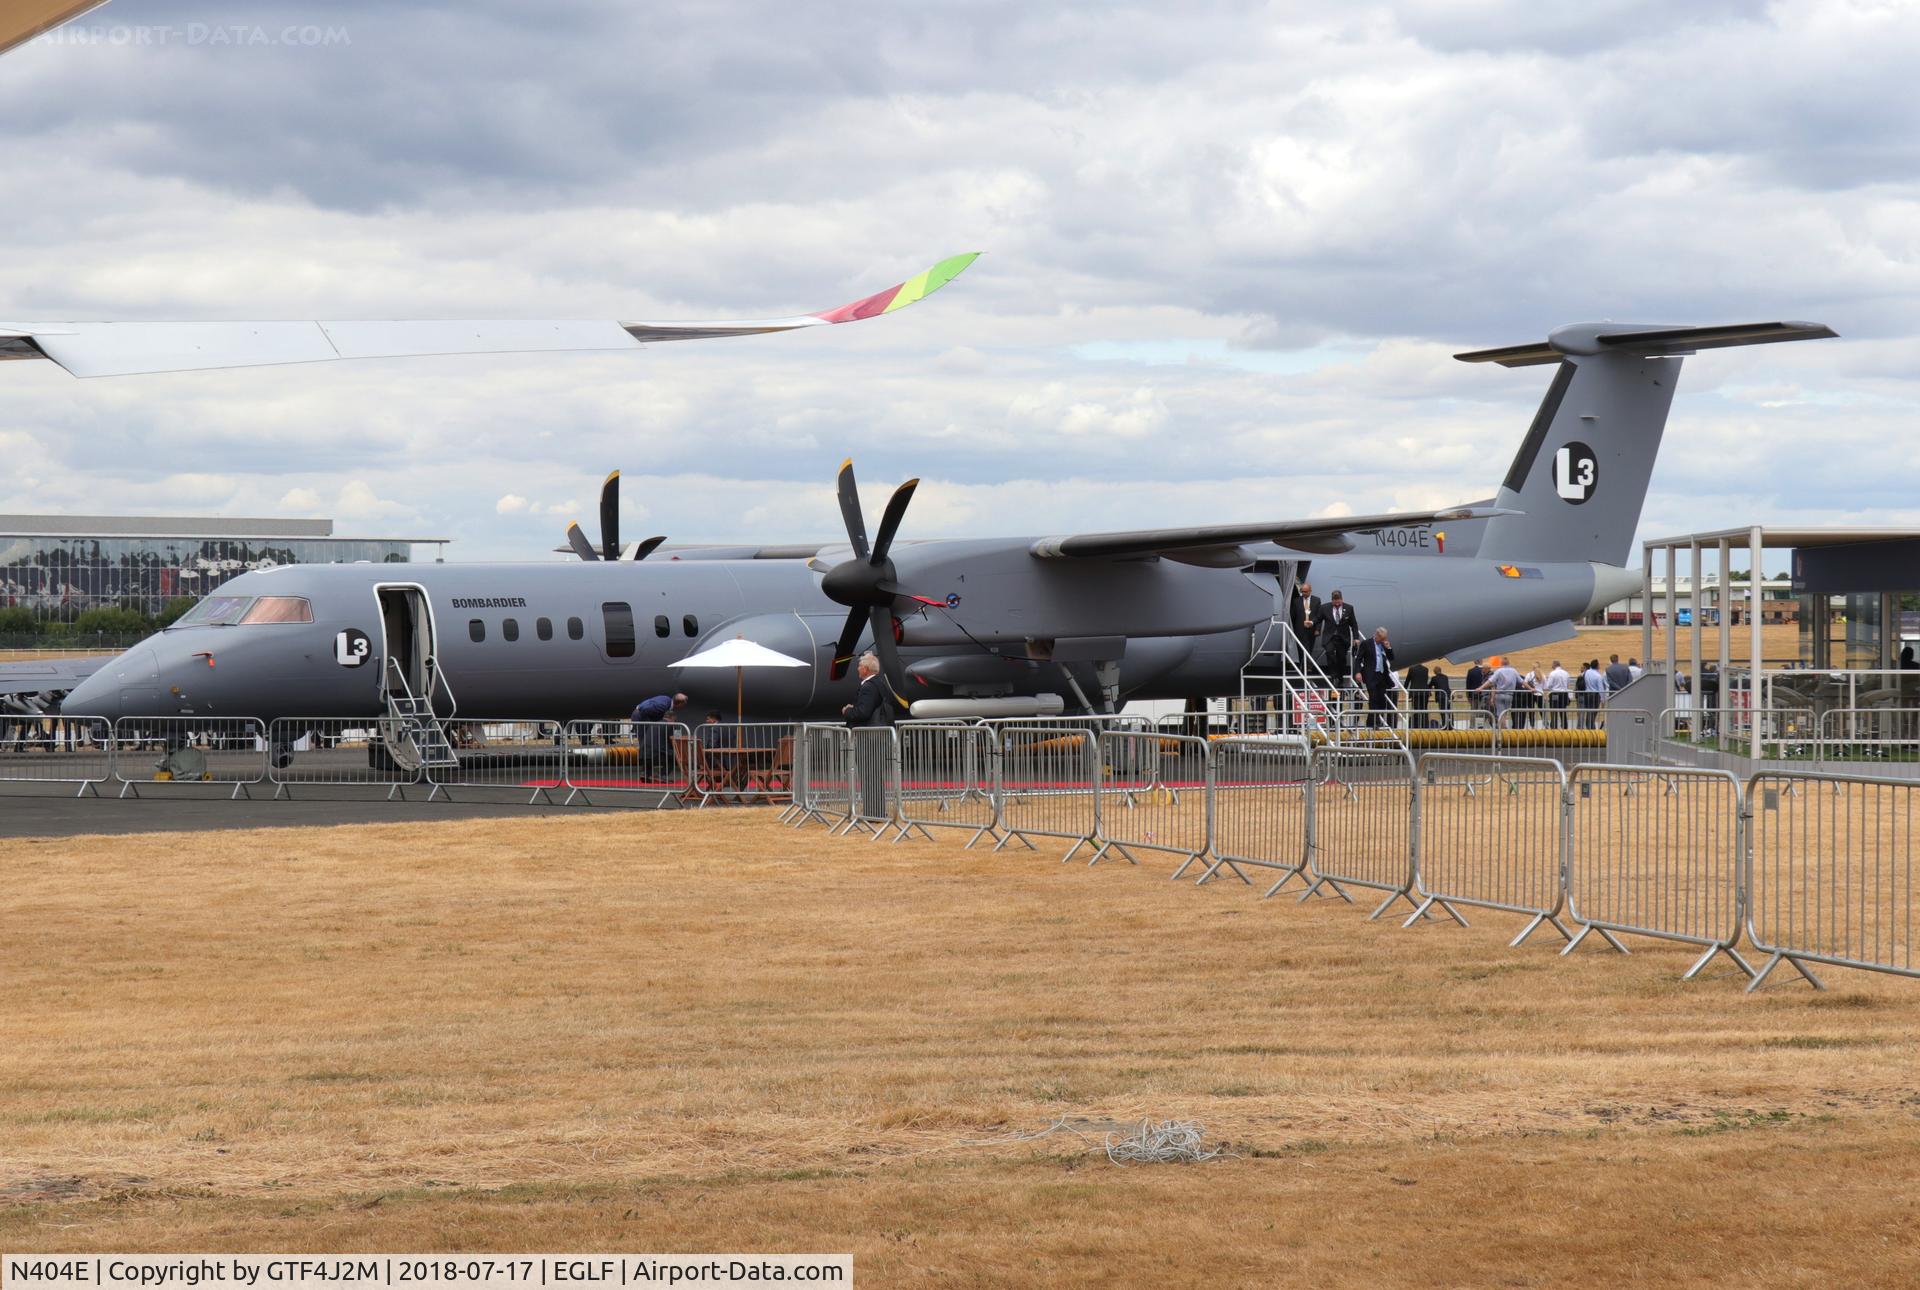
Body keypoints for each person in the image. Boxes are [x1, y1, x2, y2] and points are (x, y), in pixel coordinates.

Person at [843, 652, 898, 820]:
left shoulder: (868, 686)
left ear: (866, 669)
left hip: (869, 739)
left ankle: (873, 813)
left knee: (869, 776)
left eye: (859, 666)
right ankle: (877, 811)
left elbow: (863, 712)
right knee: (875, 775)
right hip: (878, 737)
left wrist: (848, 711)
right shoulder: (880, 683)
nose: (858, 669)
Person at [1312, 590, 1358, 685]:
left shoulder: (1349, 608)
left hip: (1342, 638)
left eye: (1339, 602)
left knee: (1341, 658)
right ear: (1332, 600)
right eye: (1335, 602)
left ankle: (1340, 678)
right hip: (1330, 637)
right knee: (1329, 652)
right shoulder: (1324, 608)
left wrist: (1356, 638)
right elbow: (1318, 618)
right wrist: (1312, 622)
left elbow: (1354, 624)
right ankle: (1333, 675)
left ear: (1342, 599)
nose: (1337, 604)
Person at [1355, 626, 1397, 729]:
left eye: (1384, 639)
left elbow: (1391, 658)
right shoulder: (1366, 643)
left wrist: (1388, 648)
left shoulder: (1385, 644)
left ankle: (1372, 721)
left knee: (1382, 700)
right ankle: (1374, 723)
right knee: (1373, 699)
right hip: (1371, 675)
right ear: (1377, 635)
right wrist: (1358, 672)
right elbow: (1358, 659)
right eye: (1382, 638)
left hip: (1382, 676)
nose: (1383, 640)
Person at [1477, 657, 1522, 728]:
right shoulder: (1512, 670)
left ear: (1487, 669)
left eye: (1483, 668)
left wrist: (1491, 698)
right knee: (1500, 714)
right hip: (1507, 695)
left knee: (1496, 714)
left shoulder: (1494, 673)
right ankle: (1493, 728)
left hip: (1491, 697)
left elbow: (1492, 685)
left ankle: (1501, 729)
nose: (1481, 669)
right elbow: (1521, 681)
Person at [1544, 660, 1571, 729]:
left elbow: (1549, 685)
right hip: (1564, 694)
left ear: (1555, 665)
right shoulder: (1566, 673)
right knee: (1563, 712)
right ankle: (1565, 727)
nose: (1551, 666)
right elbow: (1568, 684)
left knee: (1554, 712)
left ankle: (1554, 727)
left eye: (1552, 664)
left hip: (1555, 694)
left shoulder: (1553, 673)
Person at [1581, 659, 1607, 728]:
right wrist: (1603, 700)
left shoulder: (1586, 672)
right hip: (1595, 696)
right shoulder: (1598, 676)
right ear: (1597, 666)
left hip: (1587, 695)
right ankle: (1592, 730)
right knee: (1593, 715)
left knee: (1589, 713)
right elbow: (1600, 689)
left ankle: (1589, 728)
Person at [1405, 658, 1430, 729]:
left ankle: (1417, 725)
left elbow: (1407, 680)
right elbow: (1425, 680)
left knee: (1416, 709)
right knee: (1424, 709)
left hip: (1415, 693)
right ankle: (1425, 725)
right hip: (1425, 692)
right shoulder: (1426, 669)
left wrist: (1404, 689)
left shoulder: (1412, 669)